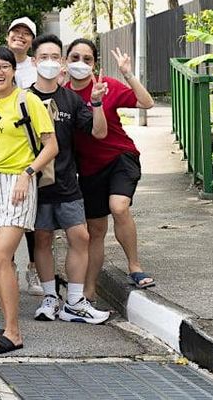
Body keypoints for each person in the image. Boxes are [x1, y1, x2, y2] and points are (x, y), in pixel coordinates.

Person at [0, 46, 59, 354]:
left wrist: (27, 173)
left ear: (13, 70)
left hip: (17, 182)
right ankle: (1, 326)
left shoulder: (28, 100)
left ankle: (14, 331)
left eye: (3, 66)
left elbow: (51, 147)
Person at [27, 34, 111, 325]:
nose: (49, 62)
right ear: (34, 61)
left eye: (54, 57)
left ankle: (74, 301)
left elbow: (98, 133)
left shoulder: (71, 99)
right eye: (43, 57)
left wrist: (97, 103)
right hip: (34, 185)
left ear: (61, 62)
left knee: (81, 237)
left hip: (67, 181)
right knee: (42, 238)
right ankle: (50, 297)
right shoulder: (24, 99)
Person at [64, 39, 156, 295]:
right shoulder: (62, 93)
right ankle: (89, 290)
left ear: (95, 64)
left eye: (87, 59)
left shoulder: (107, 87)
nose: (80, 64)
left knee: (119, 206)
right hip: (88, 170)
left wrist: (127, 73)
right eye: (74, 58)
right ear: (65, 61)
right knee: (96, 230)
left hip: (120, 157)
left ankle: (135, 266)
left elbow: (146, 103)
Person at [6, 15, 43, 294]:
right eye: (15, 32)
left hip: (33, 150)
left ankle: (34, 269)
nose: (20, 37)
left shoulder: (37, 66)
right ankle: (8, 268)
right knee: (1, 216)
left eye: (26, 34)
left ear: (32, 40)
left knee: (33, 215)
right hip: (1, 149)